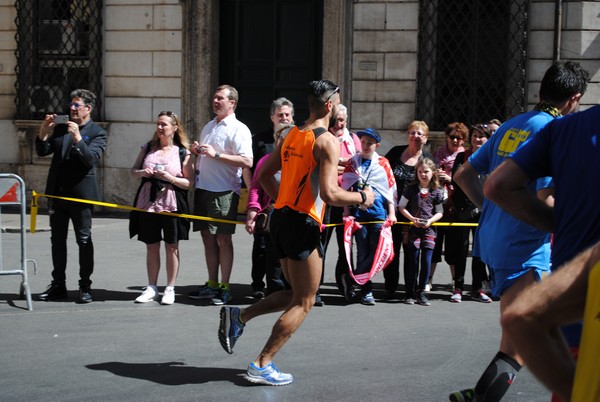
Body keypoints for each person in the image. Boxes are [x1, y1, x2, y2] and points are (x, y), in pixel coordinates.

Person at [217, 80, 375, 386]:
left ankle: (240, 317)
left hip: (281, 220)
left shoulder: (291, 134)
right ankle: (262, 363)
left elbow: (262, 174)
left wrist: (280, 201)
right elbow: (330, 194)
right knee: (305, 301)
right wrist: (361, 198)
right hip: (302, 224)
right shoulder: (327, 140)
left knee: (292, 292)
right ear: (330, 106)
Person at [450, 60, 589, 402]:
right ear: (574, 98)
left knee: (525, 340)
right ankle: (482, 398)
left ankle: (480, 394)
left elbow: (463, 174)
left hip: (495, 237)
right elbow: (546, 197)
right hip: (526, 245)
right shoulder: (555, 131)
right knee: (525, 344)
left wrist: (491, 208)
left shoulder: (512, 124)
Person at [483, 96, 598, 401]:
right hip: (523, 251)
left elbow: (493, 185)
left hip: (577, 344)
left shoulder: (557, 129)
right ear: (573, 96)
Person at [35, 89, 107, 304]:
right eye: (71, 105)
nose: (72, 109)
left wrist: (77, 137)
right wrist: (43, 131)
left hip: (80, 196)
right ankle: (58, 284)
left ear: (88, 109)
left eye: (77, 105)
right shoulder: (61, 129)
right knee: (57, 240)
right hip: (57, 193)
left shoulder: (97, 132)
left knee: (83, 240)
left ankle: (85, 285)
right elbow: (42, 150)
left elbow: (90, 159)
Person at [188, 85, 253, 305]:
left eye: (220, 98)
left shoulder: (239, 129)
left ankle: (225, 286)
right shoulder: (209, 125)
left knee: (223, 239)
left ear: (232, 103)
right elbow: (207, 154)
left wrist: (217, 155)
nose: (215, 101)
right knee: (207, 238)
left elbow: (247, 161)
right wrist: (199, 151)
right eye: (214, 98)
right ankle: (212, 283)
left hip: (224, 190)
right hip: (203, 188)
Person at [129, 111, 194, 305]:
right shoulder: (148, 147)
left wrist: (171, 178)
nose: (159, 128)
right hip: (148, 202)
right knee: (151, 245)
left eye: (164, 124)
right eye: (158, 124)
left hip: (171, 201)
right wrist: (143, 172)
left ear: (174, 128)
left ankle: (170, 288)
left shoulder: (183, 152)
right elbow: (133, 171)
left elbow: (189, 182)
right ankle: (152, 287)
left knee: (172, 246)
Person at [340, 128, 397, 305]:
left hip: (379, 214)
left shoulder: (383, 163)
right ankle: (366, 291)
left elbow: (390, 190)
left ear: (376, 145)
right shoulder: (353, 162)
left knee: (377, 251)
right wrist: (347, 212)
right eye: (363, 142)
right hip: (360, 215)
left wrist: (392, 213)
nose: (365, 146)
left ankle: (354, 277)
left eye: (369, 143)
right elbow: (345, 188)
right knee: (362, 251)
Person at [245, 98, 295, 299]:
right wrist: (253, 208)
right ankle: (267, 288)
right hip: (269, 209)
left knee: (287, 252)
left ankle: (289, 288)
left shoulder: (299, 157)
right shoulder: (264, 153)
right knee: (265, 250)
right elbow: (256, 182)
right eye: (280, 114)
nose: (284, 117)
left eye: (287, 114)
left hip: (293, 211)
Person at [383, 121, 432, 299]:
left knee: (412, 254)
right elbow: (382, 173)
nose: (415, 136)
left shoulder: (427, 158)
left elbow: (431, 184)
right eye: (412, 132)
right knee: (392, 250)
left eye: (419, 133)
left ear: (425, 138)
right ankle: (390, 287)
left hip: (415, 214)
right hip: (392, 211)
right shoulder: (396, 152)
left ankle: (410, 290)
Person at [449, 123, 493, 303]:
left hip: (484, 209)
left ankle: (477, 288)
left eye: (481, 136)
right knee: (461, 248)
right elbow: (457, 180)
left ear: (488, 139)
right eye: (474, 135)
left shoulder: (492, 158)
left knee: (479, 250)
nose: (477, 139)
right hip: (463, 208)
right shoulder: (462, 156)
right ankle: (458, 287)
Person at [320, 104, 361, 299]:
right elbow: (322, 167)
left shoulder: (353, 140)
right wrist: (341, 165)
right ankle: (315, 288)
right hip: (326, 198)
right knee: (321, 245)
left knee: (346, 246)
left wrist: (338, 165)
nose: (339, 124)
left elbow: (358, 167)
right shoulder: (323, 139)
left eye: (342, 120)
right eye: (336, 120)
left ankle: (346, 286)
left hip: (347, 199)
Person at [397, 158, 444, 306]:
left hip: (429, 230)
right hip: (413, 229)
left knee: (426, 261)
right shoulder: (410, 188)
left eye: (426, 171)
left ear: (433, 173)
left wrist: (430, 221)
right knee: (413, 260)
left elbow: (440, 212)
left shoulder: (437, 191)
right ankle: (409, 292)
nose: (423, 174)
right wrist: (412, 219)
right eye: (420, 171)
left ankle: (421, 292)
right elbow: (401, 206)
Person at [429, 122, 468, 292]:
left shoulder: (464, 156)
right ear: (446, 137)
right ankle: (428, 279)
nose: (455, 140)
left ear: (464, 140)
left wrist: (451, 179)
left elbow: (467, 181)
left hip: (454, 205)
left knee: (454, 247)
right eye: (452, 137)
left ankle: (454, 281)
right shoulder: (438, 153)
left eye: (459, 138)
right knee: (434, 244)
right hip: (438, 204)